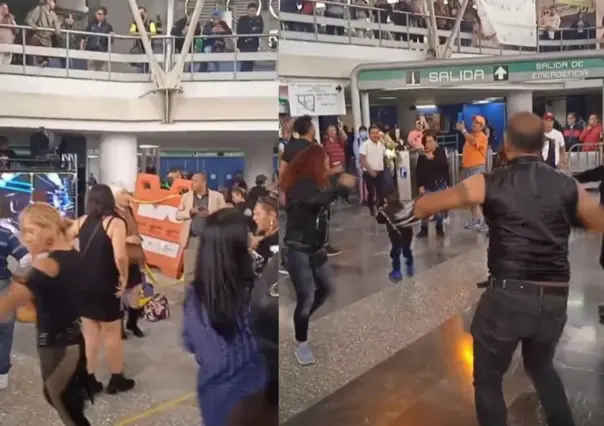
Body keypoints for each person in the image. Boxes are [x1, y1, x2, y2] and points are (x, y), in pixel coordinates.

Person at [399, 111, 604, 426]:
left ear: (506, 144)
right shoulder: (567, 185)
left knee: (488, 379)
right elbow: (597, 221)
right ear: (542, 143)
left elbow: (431, 204)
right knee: (542, 368)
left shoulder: (488, 181)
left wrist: (412, 208)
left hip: (507, 298)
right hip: (554, 296)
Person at [0, 203, 91, 424]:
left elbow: (5, 306)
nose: (26, 238)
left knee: (63, 404)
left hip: (58, 347)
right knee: (64, 401)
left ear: (49, 228)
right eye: (23, 231)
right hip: (72, 341)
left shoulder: (47, 265)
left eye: (31, 231)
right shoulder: (70, 252)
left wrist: (16, 290)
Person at [182, 208, 271, 426]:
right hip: (250, 402)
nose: (253, 240)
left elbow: (190, 342)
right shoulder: (252, 296)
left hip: (212, 396)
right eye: (247, 237)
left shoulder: (194, 297)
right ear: (237, 249)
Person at [281, 144, 356, 365]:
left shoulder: (317, 183)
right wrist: (340, 188)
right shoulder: (301, 184)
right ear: (314, 162)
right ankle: (301, 343)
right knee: (306, 297)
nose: (328, 164)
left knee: (326, 288)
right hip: (298, 249)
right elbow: (314, 201)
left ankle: (302, 320)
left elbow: (326, 196)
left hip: (315, 248)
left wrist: (340, 185)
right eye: (324, 161)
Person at [68, 185, 135, 395]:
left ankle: (89, 378)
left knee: (90, 333)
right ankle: (117, 378)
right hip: (106, 284)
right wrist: (124, 277)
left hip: (83, 284)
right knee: (112, 333)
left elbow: (69, 247)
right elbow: (121, 256)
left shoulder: (79, 222)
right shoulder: (115, 223)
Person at [280, 115, 342, 256]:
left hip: (293, 193)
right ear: (309, 130)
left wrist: (283, 191)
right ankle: (318, 249)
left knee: (294, 226)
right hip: (312, 193)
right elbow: (323, 173)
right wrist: (337, 171)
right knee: (316, 222)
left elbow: (282, 170)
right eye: (313, 126)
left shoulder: (290, 146)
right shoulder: (316, 149)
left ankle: (290, 256)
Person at [176, 172, 227, 284]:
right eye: (191, 180)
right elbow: (178, 215)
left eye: (195, 181)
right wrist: (190, 212)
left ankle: (208, 299)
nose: (191, 183)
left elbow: (225, 216)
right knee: (189, 273)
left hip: (211, 240)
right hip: (191, 240)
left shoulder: (217, 197)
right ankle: (189, 300)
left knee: (210, 271)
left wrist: (210, 214)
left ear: (203, 182)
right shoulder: (186, 197)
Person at [110, 184, 145, 340]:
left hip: (134, 258)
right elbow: (107, 236)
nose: (128, 194)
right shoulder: (111, 214)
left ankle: (132, 322)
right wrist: (126, 239)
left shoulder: (129, 210)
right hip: (119, 258)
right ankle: (119, 327)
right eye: (123, 192)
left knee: (136, 290)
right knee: (119, 294)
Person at [0, 217, 28, 390]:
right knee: (4, 332)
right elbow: (27, 258)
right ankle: (2, 374)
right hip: (2, 285)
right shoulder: (5, 234)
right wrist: (18, 276)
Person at [415, 130, 449, 238]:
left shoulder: (440, 152)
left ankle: (439, 228)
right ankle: (423, 229)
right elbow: (418, 171)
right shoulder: (422, 156)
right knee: (425, 208)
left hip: (439, 185)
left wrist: (433, 159)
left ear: (435, 142)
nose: (429, 144)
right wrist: (420, 185)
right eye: (427, 142)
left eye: (431, 141)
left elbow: (444, 167)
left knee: (438, 209)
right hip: (427, 186)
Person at [456, 115, 488, 231]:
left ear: (481, 126)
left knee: (478, 197)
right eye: (473, 122)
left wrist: (463, 131)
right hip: (468, 169)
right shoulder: (470, 136)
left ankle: (483, 222)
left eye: (477, 123)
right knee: (470, 196)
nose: (473, 124)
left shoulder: (482, 137)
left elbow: (475, 143)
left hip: (477, 169)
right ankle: (475, 219)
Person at [376, 189, 414, 282]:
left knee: (395, 253)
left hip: (395, 236)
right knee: (407, 250)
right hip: (408, 234)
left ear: (386, 199)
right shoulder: (403, 207)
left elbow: (379, 220)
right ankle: (410, 265)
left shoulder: (385, 211)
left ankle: (397, 271)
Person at [359, 124, 387, 216]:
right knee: (371, 193)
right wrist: (370, 171)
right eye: (373, 133)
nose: (375, 135)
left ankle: (381, 211)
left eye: (377, 133)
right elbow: (362, 159)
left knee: (381, 192)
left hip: (380, 171)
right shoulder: (365, 145)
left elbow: (385, 156)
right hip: (368, 172)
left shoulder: (382, 144)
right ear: (369, 134)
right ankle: (371, 207)